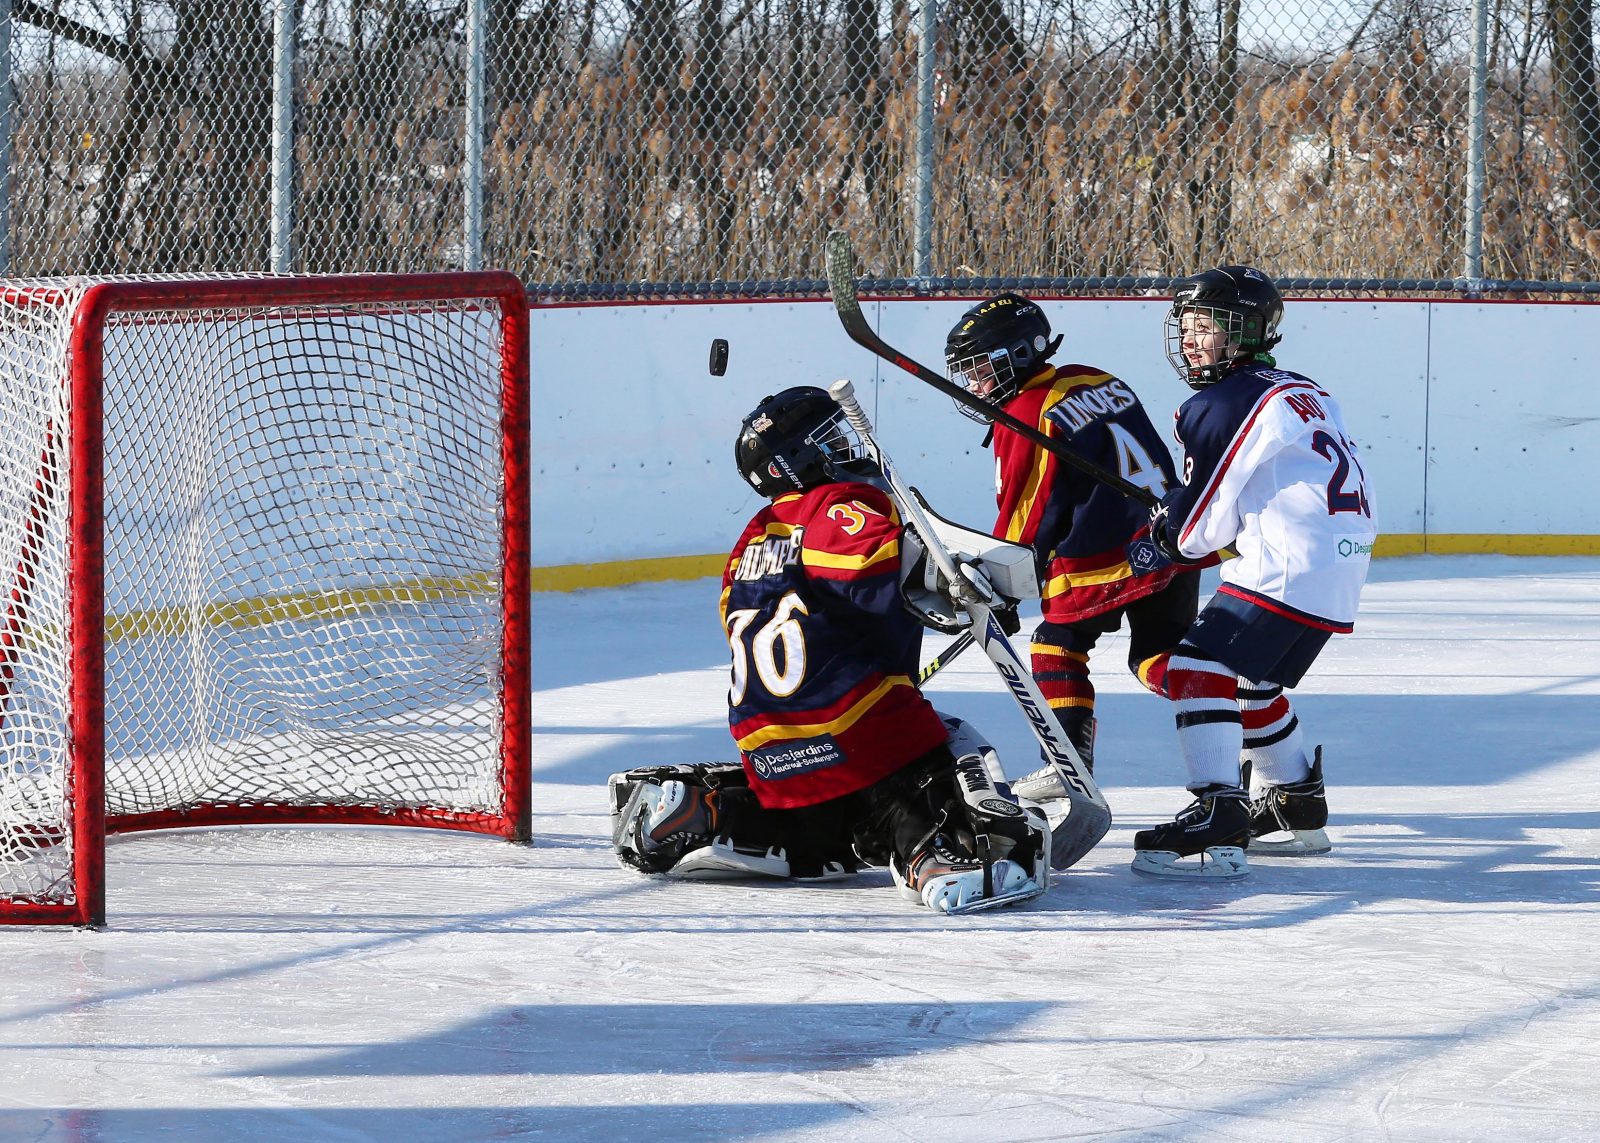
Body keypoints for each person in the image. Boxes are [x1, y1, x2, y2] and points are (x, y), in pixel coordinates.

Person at [610, 385, 1048, 914]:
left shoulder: (751, 537)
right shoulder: (836, 505)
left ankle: (707, 811)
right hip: (849, 720)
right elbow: (871, 565)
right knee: (936, 753)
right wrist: (955, 577)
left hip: (765, 740)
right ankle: (937, 858)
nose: (844, 447)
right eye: (828, 439)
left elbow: (744, 617)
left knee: (826, 833)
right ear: (794, 461)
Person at [1138, 264, 1377, 878]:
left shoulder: (1219, 401)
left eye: (1204, 326)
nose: (1189, 339)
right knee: (1252, 684)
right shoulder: (1303, 387)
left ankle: (1219, 807)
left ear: (1241, 331)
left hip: (1289, 559)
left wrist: (1163, 535)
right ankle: (1295, 805)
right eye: (1185, 325)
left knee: (1195, 667)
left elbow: (1197, 533)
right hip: (1341, 560)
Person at [943, 293, 1203, 807]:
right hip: (1168, 536)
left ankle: (1066, 767)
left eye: (980, 369)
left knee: (1056, 646)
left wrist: (1002, 582)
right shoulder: (1092, 377)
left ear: (1018, 354)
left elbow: (1027, 513)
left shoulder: (1026, 412)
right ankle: (1250, 722)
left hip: (1104, 554)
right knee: (1159, 659)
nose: (974, 385)